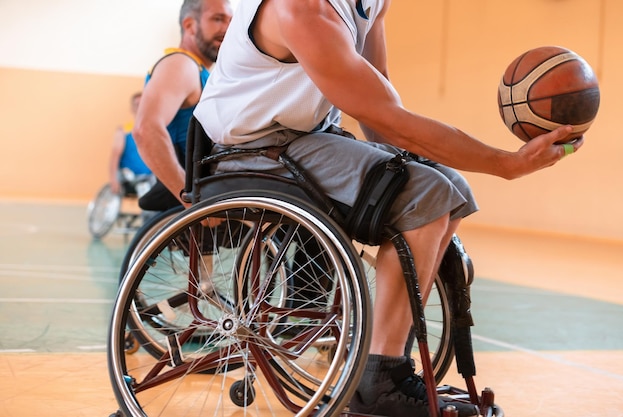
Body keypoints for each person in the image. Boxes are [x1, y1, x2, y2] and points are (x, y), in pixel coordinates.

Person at [192, 1, 582, 416]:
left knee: (450, 188)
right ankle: (379, 378)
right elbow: (388, 117)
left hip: (306, 138)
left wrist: (411, 167)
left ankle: (386, 363)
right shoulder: (301, 9)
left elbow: (380, 112)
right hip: (250, 149)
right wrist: (506, 163)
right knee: (426, 196)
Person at [133, 0, 233, 211]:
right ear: (189, 26)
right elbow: (145, 130)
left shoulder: (201, 72)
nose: (227, 28)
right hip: (193, 199)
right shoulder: (181, 65)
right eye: (218, 19)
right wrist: (192, 200)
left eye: (231, 21)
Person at [108, 92, 153, 197]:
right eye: (137, 105)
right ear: (132, 108)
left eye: (142, 104)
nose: (139, 108)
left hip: (150, 176)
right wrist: (113, 180)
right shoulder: (123, 131)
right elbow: (114, 156)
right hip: (131, 178)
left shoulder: (154, 130)